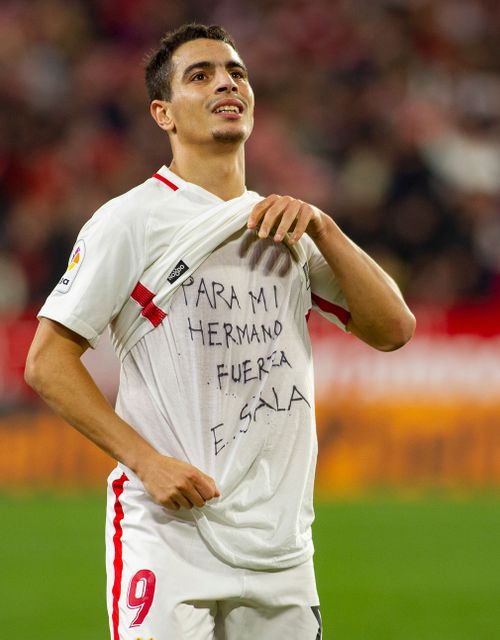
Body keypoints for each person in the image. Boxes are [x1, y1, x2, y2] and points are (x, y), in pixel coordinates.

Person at [25, 23, 415, 640]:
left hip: (281, 544)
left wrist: (324, 228)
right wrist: (145, 462)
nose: (226, 83)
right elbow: (47, 362)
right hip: (171, 534)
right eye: (199, 75)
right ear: (164, 114)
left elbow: (394, 329)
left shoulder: (283, 225)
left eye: (236, 72)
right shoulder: (131, 220)